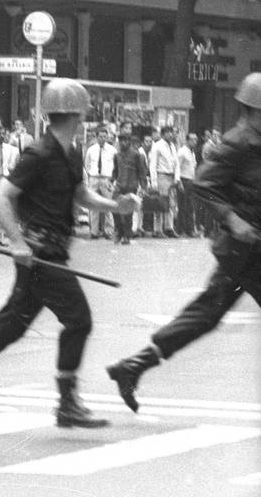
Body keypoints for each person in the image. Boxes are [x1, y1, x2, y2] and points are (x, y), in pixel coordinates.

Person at [0, 78, 139, 430]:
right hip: (41, 253)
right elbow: (0, 196)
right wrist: (18, 242)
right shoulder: (39, 154)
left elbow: (80, 194)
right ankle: (67, 402)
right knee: (79, 319)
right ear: (76, 113)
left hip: (48, 251)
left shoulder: (69, 152)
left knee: (11, 324)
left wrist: (116, 206)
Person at [106, 72, 261, 413]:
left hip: (249, 252)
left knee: (205, 315)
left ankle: (134, 366)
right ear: (253, 109)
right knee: (205, 314)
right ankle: (134, 366)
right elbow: (203, 185)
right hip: (243, 251)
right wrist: (234, 220)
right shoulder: (237, 142)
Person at [111, 134, 149, 245]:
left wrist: (143, 187)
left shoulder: (137, 155)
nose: (123, 143)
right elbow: (115, 171)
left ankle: (127, 235)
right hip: (119, 185)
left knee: (128, 211)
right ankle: (119, 231)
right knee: (114, 208)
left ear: (129, 141)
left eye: (125, 140)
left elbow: (142, 172)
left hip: (131, 185)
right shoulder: (117, 155)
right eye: (121, 141)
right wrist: (111, 180)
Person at [83, 127, 117, 239]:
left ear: (107, 137)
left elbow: (116, 166)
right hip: (94, 178)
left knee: (107, 205)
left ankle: (109, 231)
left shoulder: (112, 150)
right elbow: (87, 165)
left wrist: (112, 179)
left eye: (105, 137)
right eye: (100, 137)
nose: (103, 139)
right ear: (96, 137)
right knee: (94, 205)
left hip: (106, 179)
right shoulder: (91, 150)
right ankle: (94, 231)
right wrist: (91, 176)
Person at [150, 126, 180, 238]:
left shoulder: (172, 146)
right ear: (162, 134)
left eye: (171, 133)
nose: (171, 135)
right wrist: (154, 182)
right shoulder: (157, 146)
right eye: (168, 133)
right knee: (160, 203)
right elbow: (152, 165)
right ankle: (157, 229)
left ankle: (169, 227)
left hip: (171, 176)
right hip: (161, 175)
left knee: (171, 203)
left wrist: (177, 178)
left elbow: (176, 163)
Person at [175, 132, 199, 237]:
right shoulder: (182, 152)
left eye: (196, 140)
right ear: (187, 140)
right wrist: (179, 181)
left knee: (190, 206)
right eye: (192, 139)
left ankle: (190, 230)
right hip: (183, 180)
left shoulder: (192, 152)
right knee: (182, 206)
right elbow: (177, 167)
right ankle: (181, 229)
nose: (194, 142)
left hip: (191, 181)